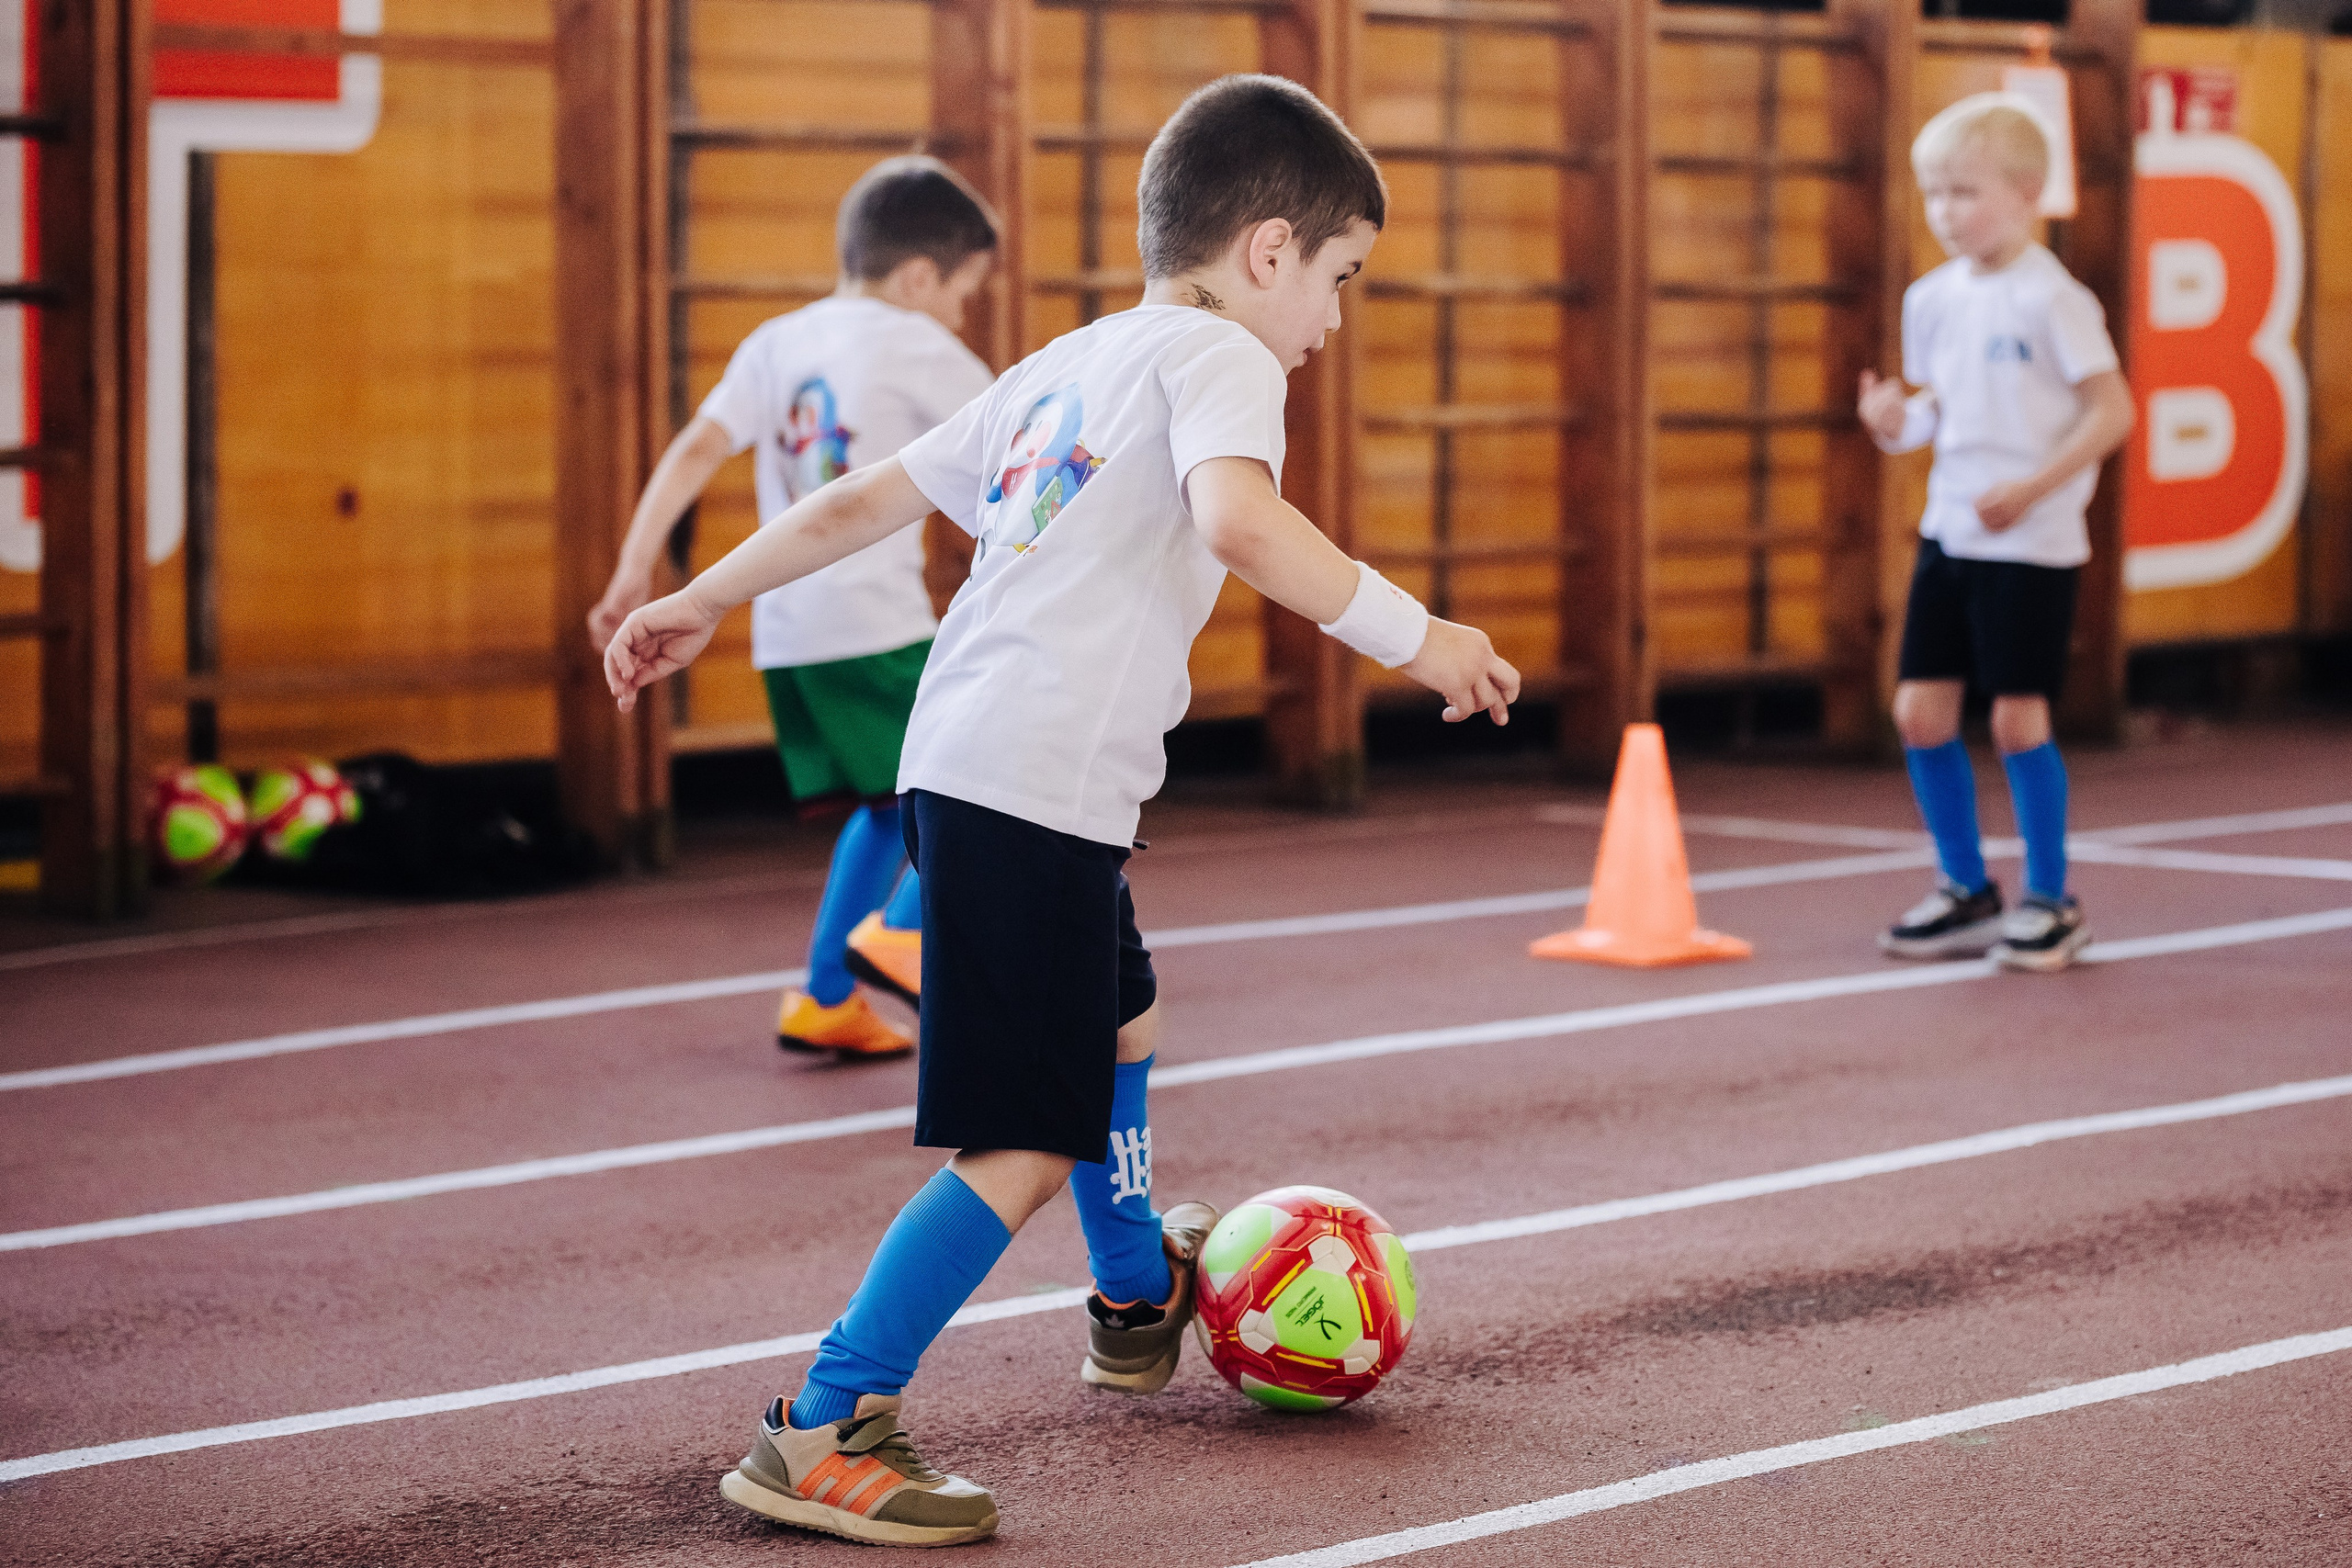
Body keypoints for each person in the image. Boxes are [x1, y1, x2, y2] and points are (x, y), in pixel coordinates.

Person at [605, 73, 1520, 1549]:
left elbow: (862, 499)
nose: (1334, 319)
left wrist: (701, 596)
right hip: (1030, 786)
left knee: (1122, 1026)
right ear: (1268, 251)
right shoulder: (1225, 357)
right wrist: (1420, 636)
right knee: (1022, 1141)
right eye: (1341, 279)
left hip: (980, 765)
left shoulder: (1064, 362)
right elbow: (1239, 519)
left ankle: (1132, 1295)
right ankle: (827, 1420)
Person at [588, 156, 997, 1056]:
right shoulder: (919, 345)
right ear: (918, 278)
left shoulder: (775, 342)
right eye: (962, 294)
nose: (960, 316)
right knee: (985, 776)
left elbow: (696, 450)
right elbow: (1023, 438)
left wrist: (633, 570)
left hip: (786, 632)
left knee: (886, 808)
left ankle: (824, 997)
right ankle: (905, 930)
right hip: (874, 622)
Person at [1859, 94, 2134, 973]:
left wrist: (2034, 487)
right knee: (1918, 712)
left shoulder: (2053, 300)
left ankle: (2051, 900)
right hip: (1952, 534)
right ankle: (1965, 886)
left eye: (1965, 192)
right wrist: (1895, 421)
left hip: (2030, 543)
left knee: (2018, 720)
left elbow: (2112, 410)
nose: (1945, 212)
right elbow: (1939, 408)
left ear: (2026, 194)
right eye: (1935, 193)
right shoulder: (1931, 299)